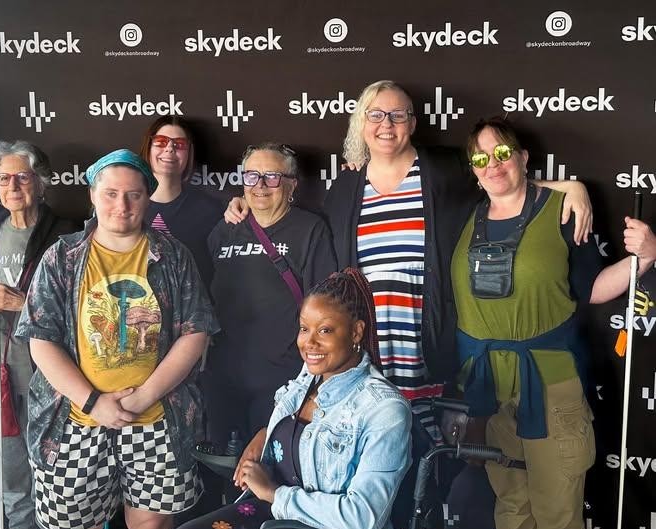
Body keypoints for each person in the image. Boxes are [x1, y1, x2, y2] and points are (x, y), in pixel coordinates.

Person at [225, 81, 592, 442]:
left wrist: (570, 188)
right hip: (369, 350)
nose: (387, 124)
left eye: (397, 115)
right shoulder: (346, 187)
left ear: (412, 123)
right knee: (375, 448)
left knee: (430, 456)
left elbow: (502, 183)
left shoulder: (445, 170)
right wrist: (244, 206)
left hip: (428, 344)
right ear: (362, 124)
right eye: (377, 115)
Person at [451, 117, 655, 529]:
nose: (494, 164)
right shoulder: (462, 218)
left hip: (551, 386)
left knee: (558, 515)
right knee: (511, 509)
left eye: (504, 153)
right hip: (489, 390)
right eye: (481, 158)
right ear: (471, 169)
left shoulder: (561, 212)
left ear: (524, 158)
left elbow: (592, 288)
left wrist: (645, 260)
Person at [15, 149, 219, 529]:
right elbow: (41, 340)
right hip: (74, 421)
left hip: (157, 419)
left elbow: (195, 333)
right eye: (110, 193)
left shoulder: (173, 256)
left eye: (133, 195)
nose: (121, 205)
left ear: (147, 197)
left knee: (152, 526)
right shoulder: (62, 258)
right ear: (93, 195)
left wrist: (143, 397)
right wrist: (93, 402)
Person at [169, 268, 412, 529]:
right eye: (304, 328)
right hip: (274, 517)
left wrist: (273, 492)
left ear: (356, 332)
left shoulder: (384, 409)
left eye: (325, 330)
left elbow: (363, 519)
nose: (309, 342)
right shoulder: (309, 377)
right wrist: (266, 434)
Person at [0, 140, 76, 529]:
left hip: (51, 382)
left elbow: (82, 313)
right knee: (11, 483)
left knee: (54, 481)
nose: (13, 186)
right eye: (3, 178)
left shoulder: (66, 235)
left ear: (41, 184)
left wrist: (22, 303)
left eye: (22, 177)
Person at [203, 142, 337, 449]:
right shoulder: (224, 230)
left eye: (272, 177)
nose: (260, 185)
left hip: (283, 379)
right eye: (252, 176)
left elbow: (325, 306)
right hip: (224, 378)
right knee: (224, 470)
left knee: (270, 472)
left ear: (291, 184)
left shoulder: (309, 230)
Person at [139, 115, 223, 290]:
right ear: (148, 147)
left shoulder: (210, 210)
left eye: (179, 144)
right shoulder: (127, 207)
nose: (170, 149)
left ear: (189, 153)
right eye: (161, 142)